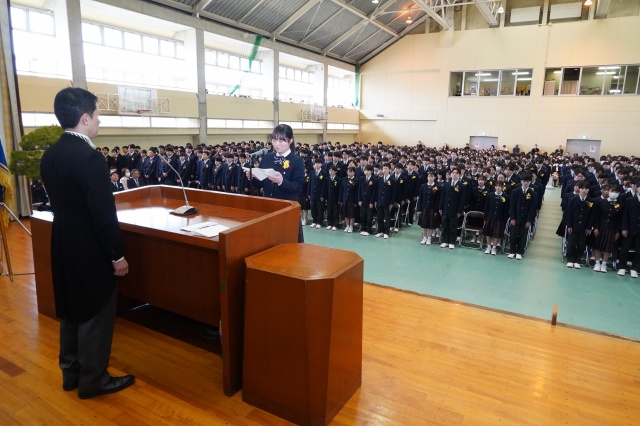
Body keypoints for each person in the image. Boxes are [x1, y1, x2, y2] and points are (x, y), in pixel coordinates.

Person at [39, 87, 135, 399]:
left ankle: (71, 373)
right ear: (84, 118)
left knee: (70, 307)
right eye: (97, 115)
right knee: (96, 310)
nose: (99, 121)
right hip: (89, 245)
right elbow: (103, 215)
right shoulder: (90, 157)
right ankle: (94, 380)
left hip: (62, 240)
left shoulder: (51, 153)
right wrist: (117, 255)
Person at [256, 124, 305, 242]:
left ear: (290, 141)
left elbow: (297, 188)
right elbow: (259, 185)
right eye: (274, 140)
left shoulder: (297, 161)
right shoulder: (267, 158)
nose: (276, 144)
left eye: (281, 141)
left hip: (287, 209)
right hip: (267, 206)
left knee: (286, 244)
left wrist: (281, 181)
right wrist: (253, 176)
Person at [508, 171, 537, 260]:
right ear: (521, 181)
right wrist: (512, 217)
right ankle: (512, 251)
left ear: (530, 182)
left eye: (527, 181)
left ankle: (520, 252)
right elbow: (512, 206)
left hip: (525, 218)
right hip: (515, 217)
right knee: (513, 235)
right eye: (524, 181)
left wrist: (529, 220)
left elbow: (533, 209)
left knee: (523, 236)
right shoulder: (515, 191)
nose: (525, 183)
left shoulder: (533, 194)